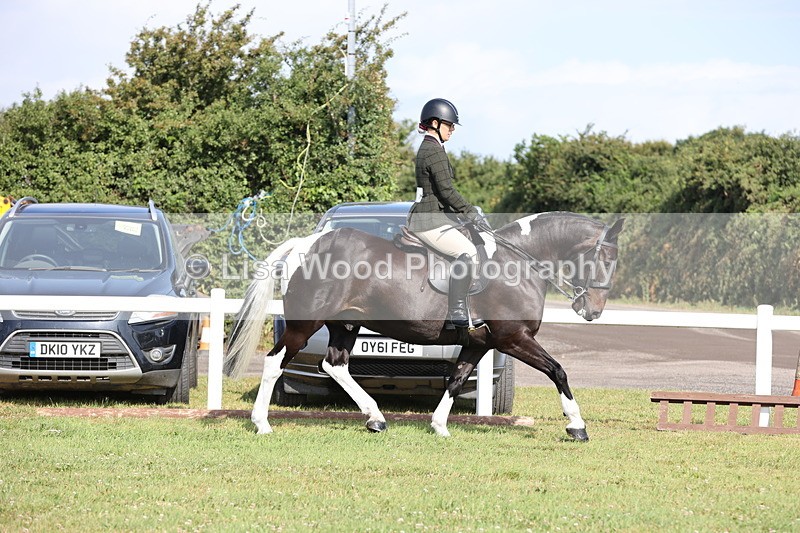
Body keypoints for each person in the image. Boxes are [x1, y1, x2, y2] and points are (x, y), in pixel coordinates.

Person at [407, 98, 484, 329]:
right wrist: (471, 213)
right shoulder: (433, 151)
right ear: (434, 123)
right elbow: (447, 191)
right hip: (428, 220)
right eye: (449, 125)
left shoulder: (434, 147)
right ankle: (457, 311)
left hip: (434, 216)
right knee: (468, 252)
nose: (452, 130)